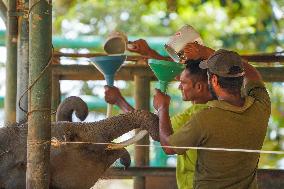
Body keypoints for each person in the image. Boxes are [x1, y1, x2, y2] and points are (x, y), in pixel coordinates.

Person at [153, 43, 271, 189]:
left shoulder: (204, 119)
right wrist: (207, 52)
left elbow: (169, 148)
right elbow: (252, 73)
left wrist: (162, 107)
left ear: (214, 80)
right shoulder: (260, 106)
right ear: (240, 78)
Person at [105, 40, 212, 189]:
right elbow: (183, 73)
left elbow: (153, 127)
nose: (179, 85)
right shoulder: (219, 106)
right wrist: (149, 53)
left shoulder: (192, 117)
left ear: (199, 87)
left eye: (183, 83)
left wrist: (119, 101)